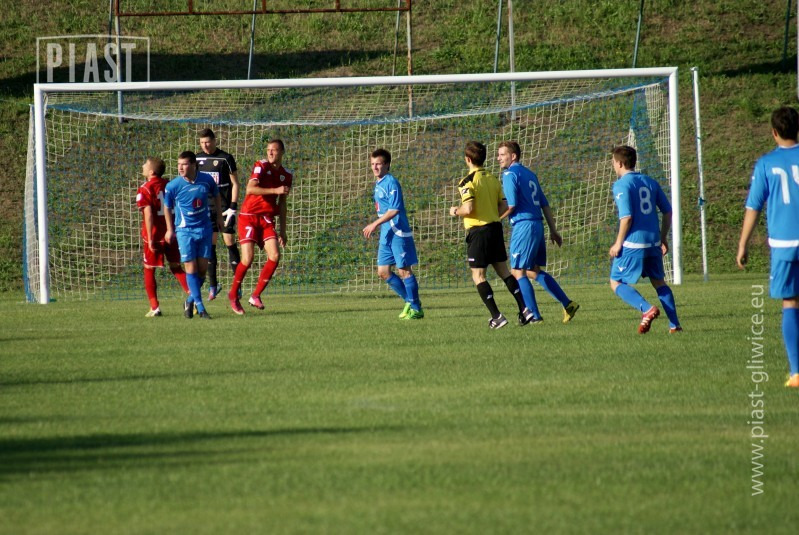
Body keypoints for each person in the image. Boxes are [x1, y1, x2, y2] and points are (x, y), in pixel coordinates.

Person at [737, 106, 799, 388]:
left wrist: (743, 244)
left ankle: (796, 372)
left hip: (784, 243)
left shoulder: (765, 164)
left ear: (774, 132)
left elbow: (753, 206)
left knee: (791, 302)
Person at [449, 141, 530, 329]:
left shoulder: (467, 181)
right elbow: (504, 205)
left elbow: (468, 208)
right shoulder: (493, 178)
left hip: (478, 232)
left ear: (468, 160)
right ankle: (525, 309)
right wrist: (491, 214)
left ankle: (497, 316)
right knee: (504, 272)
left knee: (478, 276)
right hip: (495, 228)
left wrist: (455, 211)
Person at [497, 141, 579, 325]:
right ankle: (568, 304)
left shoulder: (509, 174)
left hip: (524, 226)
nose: (498, 158)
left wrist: (495, 219)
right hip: (537, 225)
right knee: (533, 270)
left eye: (502, 154)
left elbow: (511, 205)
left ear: (513, 156)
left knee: (517, 271)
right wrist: (553, 230)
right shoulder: (530, 174)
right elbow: (545, 204)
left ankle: (534, 315)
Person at [608, 145, 681, 334]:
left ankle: (646, 309)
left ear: (620, 163)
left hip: (633, 243)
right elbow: (668, 211)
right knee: (659, 282)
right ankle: (674, 325)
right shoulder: (650, 182)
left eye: (614, 162)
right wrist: (663, 238)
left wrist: (618, 243)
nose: (613, 166)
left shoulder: (621, 185)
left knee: (616, 282)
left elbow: (627, 217)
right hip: (653, 242)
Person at [228, 139, 292, 315]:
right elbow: (250, 189)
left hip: (266, 219)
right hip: (249, 216)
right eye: (268, 149)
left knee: (275, 255)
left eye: (274, 150)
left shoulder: (286, 175)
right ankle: (233, 295)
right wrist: (275, 190)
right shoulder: (261, 166)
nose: (270, 152)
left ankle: (255, 295)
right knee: (248, 258)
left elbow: (283, 204)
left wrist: (283, 231)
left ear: (282, 152)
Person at [362, 148, 423, 319]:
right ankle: (410, 301)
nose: (375, 167)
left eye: (378, 164)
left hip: (398, 231)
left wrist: (374, 224)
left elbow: (394, 210)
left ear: (387, 165)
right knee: (383, 271)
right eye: (372, 164)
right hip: (386, 231)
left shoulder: (391, 183)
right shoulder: (379, 183)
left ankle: (416, 309)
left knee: (404, 271)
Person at [163, 151, 223, 320]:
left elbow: (217, 196)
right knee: (191, 267)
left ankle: (190, 300)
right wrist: (169, 229)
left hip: (204, 229)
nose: (180, 168)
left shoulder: (207, 180)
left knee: (202, 270)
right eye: (179, 164)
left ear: (194, 165)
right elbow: (167, 207)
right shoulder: (173, 186)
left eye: (184, 164)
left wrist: (219, 217)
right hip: (184, 231)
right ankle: (201, 308)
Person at [135, 157, 190, 316]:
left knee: (149, 269)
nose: (143, 166)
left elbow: (148, 214)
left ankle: (155, 307)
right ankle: (193, 298)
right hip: (171, 233)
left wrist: (150, 238)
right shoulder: (170, 185)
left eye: (145, 164)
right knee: (176, 266)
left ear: (151, 171)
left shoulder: (145, 189)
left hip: (155, 235)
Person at [196, 128, 240, 301]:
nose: (205, 145)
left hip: (225, 208)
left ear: (214, 141)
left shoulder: (225, 158)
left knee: (229, 242)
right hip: (207, 209)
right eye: (202, 143)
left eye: (208, 142)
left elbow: (235, 183)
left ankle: (237, 286)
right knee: (210, 246)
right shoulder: (197, 159)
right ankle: (213, 286)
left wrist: (233, 207)